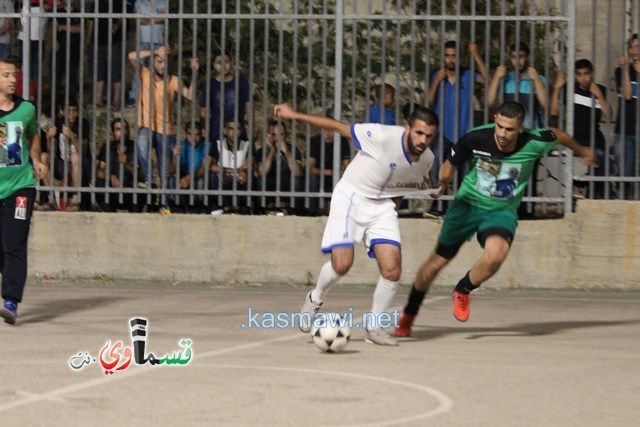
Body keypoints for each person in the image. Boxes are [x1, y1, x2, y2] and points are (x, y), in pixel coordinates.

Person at [394, 102, 595, 337]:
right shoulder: (475, 138)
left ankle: (464, 289)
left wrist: (582, 151)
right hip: (467, 206)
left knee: (496, 256)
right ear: (495, 119)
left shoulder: (535, 140)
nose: (502, 133)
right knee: (435, 263)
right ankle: (409, 313)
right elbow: (451, 164)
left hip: (501, 210)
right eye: (499, 126)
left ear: (520, 128)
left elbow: (559, 135)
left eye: (509, 129)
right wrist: (442, 183)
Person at [273, 102, 439, 346]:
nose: (423, 140)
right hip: (351, 196)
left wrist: (409, 199)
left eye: (429, 136)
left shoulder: (427, 159)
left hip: (382, 207)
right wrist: (293, 114)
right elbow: (337, 126)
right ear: (408, 129)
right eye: (419, 133)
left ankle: (374, 328)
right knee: (342, 264)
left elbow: (405, 183)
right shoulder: (381, 136)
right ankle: (315, 297)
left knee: (392, 270)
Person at [0, 56, 48, 324]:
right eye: (6, 75)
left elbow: (33, 135)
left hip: (20, 187)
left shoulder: (27, 109)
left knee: (15, 243)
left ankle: (11, 301)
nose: (13, 79)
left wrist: (38, 160)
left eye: (14, 75)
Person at [128, 45, 199, 199]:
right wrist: (154, 51)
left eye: (165, 62)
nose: (162, 65)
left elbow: (190, 95)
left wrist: (194, 72)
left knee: (165, 172)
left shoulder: (173, 81)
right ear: (153, 62)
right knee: (141, 140)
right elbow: (132, 56)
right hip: (146, 125)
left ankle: (165, 205)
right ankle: (150, 179)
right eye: (159, 62)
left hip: (165, 130)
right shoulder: (145, 73)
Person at [487, 42, 548, 218]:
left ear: (527, 57)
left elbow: (545, 104)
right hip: (509, 134)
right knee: (508, 172)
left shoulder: (538, 78)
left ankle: (528, 210)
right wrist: (497, 78)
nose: (518, 60)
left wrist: (536, 79)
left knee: (528, 173)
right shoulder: (506, 78)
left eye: (521, 56)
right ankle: (508, 209)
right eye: (514, 57)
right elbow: (490, 102)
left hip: (530, 133)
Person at [427, 41, 487, 183]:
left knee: (463, 172)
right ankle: (438, 203)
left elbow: (487, 80)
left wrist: (476, 55)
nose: (450, 59)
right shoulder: (436, 75)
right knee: (435, 169)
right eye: (447, 55)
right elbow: (428, 102)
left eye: (454, 56)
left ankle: (459, 202)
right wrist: (436, 81)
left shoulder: (468, 74)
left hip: (463, 132)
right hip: (442, 133)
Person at [550, 59, 609, 198]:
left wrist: (599, 95)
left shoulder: (600, 89)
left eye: (586, 74)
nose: (583, 78)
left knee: (609, 170)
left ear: (592, 74)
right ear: (575, 75)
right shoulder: (570, 90)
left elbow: (609, 114)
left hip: (596, 140)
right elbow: (553, 111)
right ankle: (579, 186)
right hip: (575, 141)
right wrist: (557, 88)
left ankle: (582, 186)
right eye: (579, 74)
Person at [46, 97, 90, 211]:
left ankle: (76, 198)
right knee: (44, 157)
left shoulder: (83, 123)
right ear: (62, 111)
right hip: (62, 163)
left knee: (75, 156)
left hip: (81, 164)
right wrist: (49, 138)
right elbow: (52, 151)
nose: (72, 114)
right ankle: (51, 200)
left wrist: (72, 136)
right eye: (69, 111)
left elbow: (83, 152)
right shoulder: (58, 122)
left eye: (74, 110)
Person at [199, 51, 251, 143]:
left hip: (238, 135)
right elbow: (204, 111)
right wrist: (203, 130)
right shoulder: (209, 85)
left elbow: (249, 108)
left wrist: (251, 130)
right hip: (215, 135)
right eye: (219, 62)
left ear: (231, 63)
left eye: (226, 62)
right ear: (214, 65)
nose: (223, 65)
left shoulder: (242, 82)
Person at [253, 120, 303, 214]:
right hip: (270, 186)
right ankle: (261, 212)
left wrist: (286, 152)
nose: (278, 138)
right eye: (274, 135)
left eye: (281, 135)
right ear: (269, 135)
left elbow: (298, 172)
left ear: (286, 135)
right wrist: (272, 151)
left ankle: (294, 213)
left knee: (296, 180)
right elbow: (261, 172)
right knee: (260, 180)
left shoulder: (293, 149)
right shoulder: (262, 151)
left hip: (287, 186)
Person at [125, 0, 167, 108]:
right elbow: (139, 20)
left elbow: (165, 18)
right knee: (139, 69)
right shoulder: (139, 2)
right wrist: (156, 19)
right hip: (142, 41)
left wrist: (148, 19)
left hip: (159, 41)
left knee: (158, 70)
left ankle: (156, 97)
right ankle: (134, 97)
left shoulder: (163, 2)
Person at [613, 34, 640, 199]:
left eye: (638, 47)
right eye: (632, 47)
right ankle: (621, 202)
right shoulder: (620, 71)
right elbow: (627, 95)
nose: (634, 50)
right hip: (624, 129)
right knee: (624, 173)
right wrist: (626, 71)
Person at [86, 0, 126, 110]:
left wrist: (116, 26)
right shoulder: (96, 3)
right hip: (97, 42)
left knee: (115, 72)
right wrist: (89, 38)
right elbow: (90, 21)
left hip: (114, 42)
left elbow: (122, 17)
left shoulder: (119, 2)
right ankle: (98, 100)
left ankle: (116, 101)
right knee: (98, 72)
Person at [307, 118, 351, 215]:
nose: (327, 133)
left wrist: (343, 173)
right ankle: (312, 213)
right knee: (313, 178)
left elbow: (348, 166)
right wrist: (331, 172)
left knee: (347, 180)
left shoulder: (342, 141)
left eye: (330, 130)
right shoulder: (314, 141)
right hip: (319, 176)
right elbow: (311, 169)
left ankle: (340, 213)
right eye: (324, 129)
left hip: (334, 177)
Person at [96, 118, 141, 212]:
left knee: (143, 191)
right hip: (112, 192)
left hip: (130, 193)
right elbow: (98, 172)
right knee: (99, 185)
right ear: (113, 133)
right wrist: (111, 177)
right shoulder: (107, 147)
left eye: (125, 128)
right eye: (118, 129)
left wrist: (127, 164)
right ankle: (111, 218)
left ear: (128, 131)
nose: (122, 132)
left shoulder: (135, 147)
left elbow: (141, 175)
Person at [210, 118, 251, 214]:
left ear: (241, 131)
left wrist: (244, 172)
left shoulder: (247, 145)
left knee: (249, 178)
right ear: (225, 130)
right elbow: (211, 166)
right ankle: (221, 208)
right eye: (231, 128)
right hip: (222, 179)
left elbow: (250, 163)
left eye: (237, 129)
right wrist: (230, 170)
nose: (234, 132)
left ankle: (240, 209)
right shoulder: (217, 144)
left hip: (239, 181)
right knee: (211, 177)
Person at [169, 122, 209, 213]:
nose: (194, 138)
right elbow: (171, 170)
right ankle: (176, 209)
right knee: (171, 180)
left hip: (198, 173)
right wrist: (175, 156)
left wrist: (188, 178)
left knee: (201, 182)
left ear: (201, 134)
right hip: (183, 172)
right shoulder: (180, 144)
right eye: (190, 134)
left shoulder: (207, 145)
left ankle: (196, 210)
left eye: (197, 134)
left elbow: (203, 168)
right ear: (185, 134)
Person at [53, 0, 82, 99]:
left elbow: (80, 29)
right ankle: (55, 101)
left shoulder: (78, 12)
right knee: (56, 76)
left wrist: (62, 27)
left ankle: (71, 100)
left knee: (72, 76)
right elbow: (53, 28)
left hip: (74, 49)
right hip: (59, 50)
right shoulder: (57, 12)